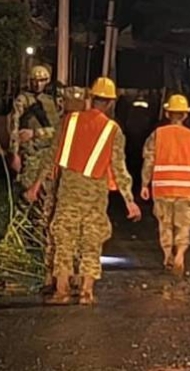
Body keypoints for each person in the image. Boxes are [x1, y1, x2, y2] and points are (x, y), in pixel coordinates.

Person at [25, 77, 142, 305]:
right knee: (91, 240)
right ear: (109, 103)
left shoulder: (69, 120)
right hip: (95, 194)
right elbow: (118, 168)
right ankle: (87, 291)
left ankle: (62, 290)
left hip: (68, 188)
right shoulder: (113, 129)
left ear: (90, 97)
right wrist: (129, 201)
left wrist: (36, 185)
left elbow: (51, 156)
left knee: (63, 237)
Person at [140, 94, 190, 276]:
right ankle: (180, 255)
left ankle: (166, 254)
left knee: (165, 223)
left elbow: (149, 160)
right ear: (185, 115)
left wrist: (144, 184)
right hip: (185, 189)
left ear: (167, 113)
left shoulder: (157, 135)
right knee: (184, 224)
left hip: (162, 188)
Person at [8, 64, 62, 286]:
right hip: (30, 155)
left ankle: (38, 239)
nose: (37, 84)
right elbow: (13, 128)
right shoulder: (22, 100)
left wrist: (37, 133)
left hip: (47, 155)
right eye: (34, 80)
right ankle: (18, 238)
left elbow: (59, 131)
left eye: (41, 80)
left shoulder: (53, 103)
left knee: (45, 199)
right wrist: (14, 154)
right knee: (26, 196)